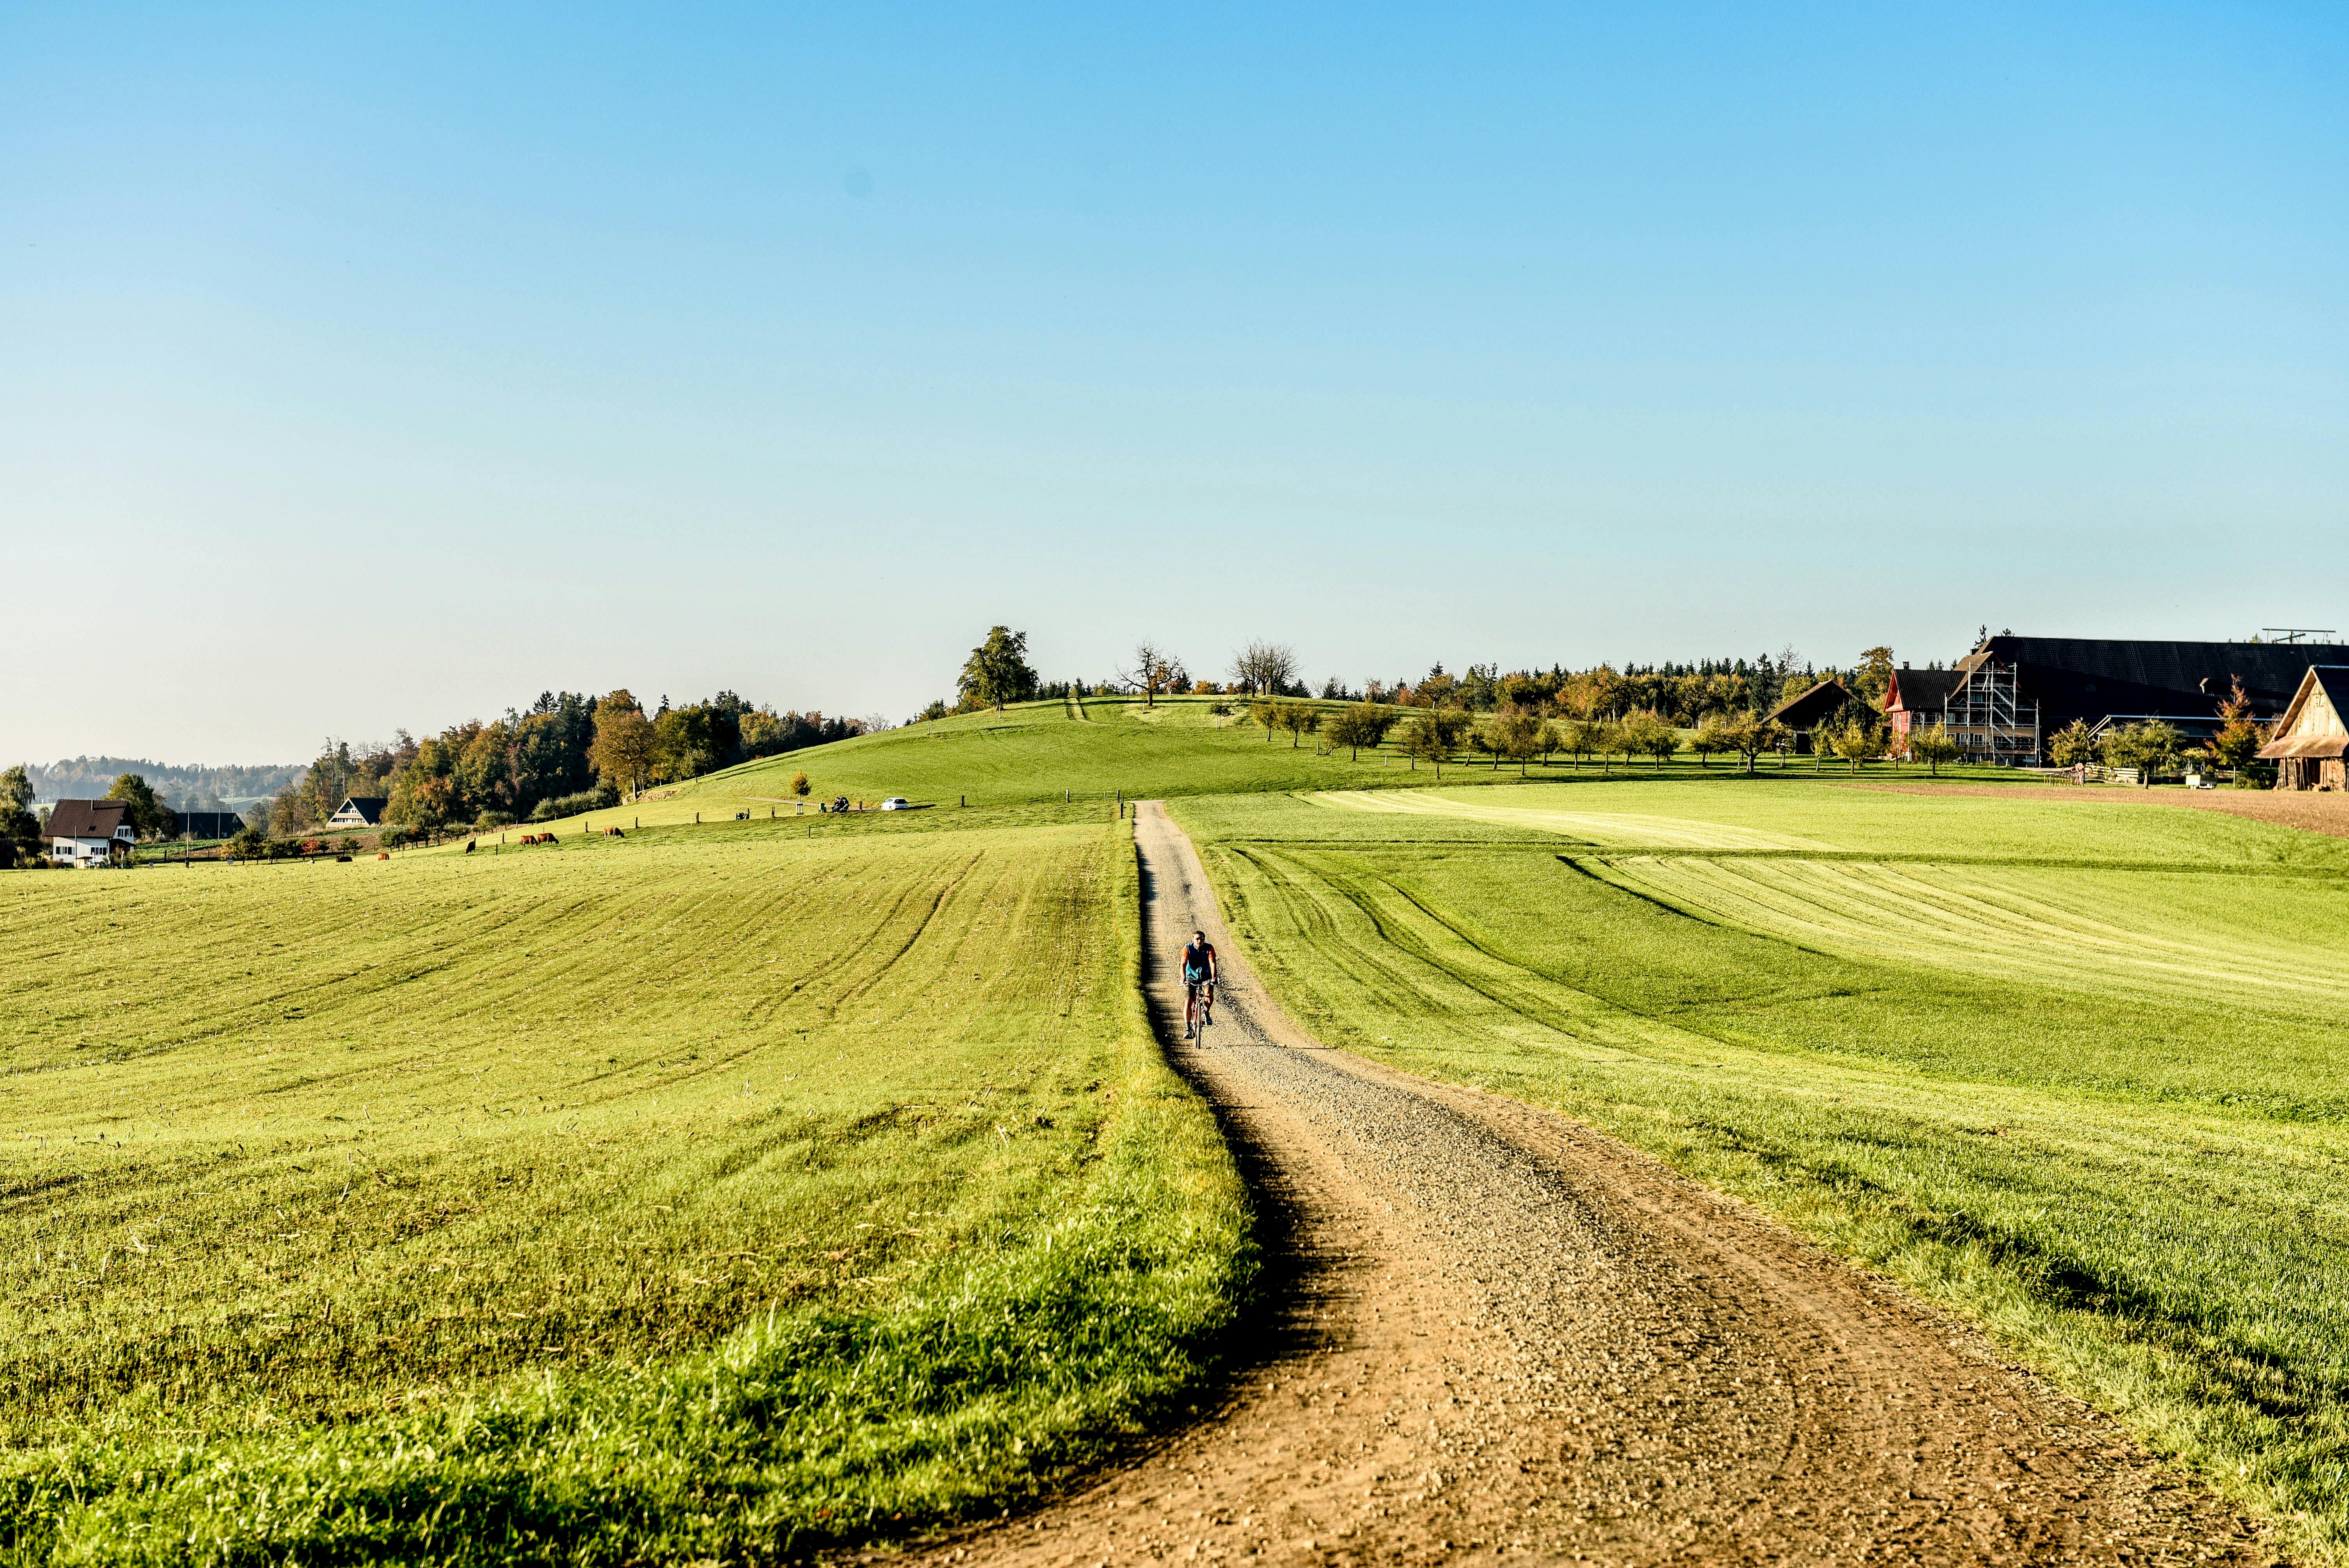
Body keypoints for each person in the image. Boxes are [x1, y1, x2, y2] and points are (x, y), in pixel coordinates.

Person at [1181, 928, 1217, 1038]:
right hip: (1191, 978)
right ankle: (1188, 1029)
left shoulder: (1209, 948)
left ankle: (1205, 1012)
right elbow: (1183, 964)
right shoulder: (1188, 948)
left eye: (1202, 939)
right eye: (1197, 939)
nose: (1200, 941)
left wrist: (1214, 977)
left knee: (1209, 997)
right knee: (1188, 1002)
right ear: (1193, 939)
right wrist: (1183, 978)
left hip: (1206, 977)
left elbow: (1213, 964)